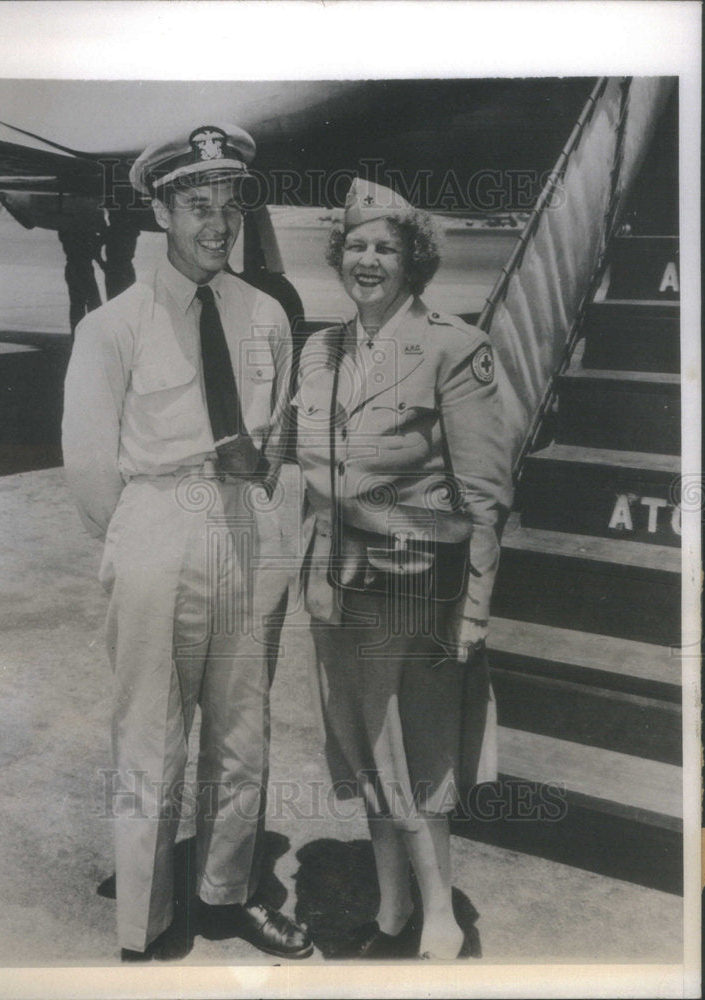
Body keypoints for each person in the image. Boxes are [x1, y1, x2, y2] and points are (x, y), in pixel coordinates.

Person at [61, 122, 312, 962]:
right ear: (162, 209)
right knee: (150, 735)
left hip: (243, 530)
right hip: (157, 532)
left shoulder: (267, 315)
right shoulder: (113, 328)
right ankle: (146, 917)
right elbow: (93, 476)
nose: (217, 224)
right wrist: (146, 536)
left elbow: (275, 434)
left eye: (228, 205)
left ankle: (226, 894)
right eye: (197, 205)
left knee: (244, 732)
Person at [294, 178, 512, 960]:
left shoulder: (457, 348)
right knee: (359, 752)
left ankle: (442, 924)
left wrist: (475, 612)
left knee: (417, 761)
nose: (369, 260)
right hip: (336, 591)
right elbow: (316, 484)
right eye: (356, 245)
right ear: (339, 256)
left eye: (386, 246)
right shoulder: (321, 350)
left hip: (417, 588)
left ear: (413, 258)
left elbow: (484, 499)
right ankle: (391, 910)